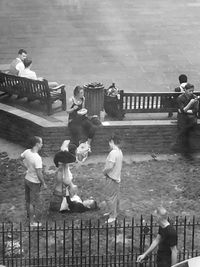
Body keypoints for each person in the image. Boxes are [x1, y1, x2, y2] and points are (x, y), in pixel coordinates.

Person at [21, 136, 47, 226]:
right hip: (34, 182)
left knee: (28, 200)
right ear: (37, 144)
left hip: (27, 179)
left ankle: (30, 216)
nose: (42, 144)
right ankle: (32, 222)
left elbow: (21, 158)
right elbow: (39, 173)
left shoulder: (27, 151)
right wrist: (43, 183)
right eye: (41, 143)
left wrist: (27, 167)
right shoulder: (37, 158)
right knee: (33, 202)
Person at [50, 141, 77, 212]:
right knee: (63, 170)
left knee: (61, 170)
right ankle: (64, 152)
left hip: (65, 179)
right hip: (66, 179)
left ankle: (63, 153)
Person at [103, 132, 123, 223]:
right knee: (115, 197)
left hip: (111, 178)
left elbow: (109, 166)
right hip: (117, 178)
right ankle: (114, 212)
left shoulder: (113, 153)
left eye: (109, 142)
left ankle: (112, 216)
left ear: (112, 141)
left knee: (109, 197)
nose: (109, 144)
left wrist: (104, 172)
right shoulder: (119, 151)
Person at [176, 83, 199, 157]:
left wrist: (185, 111)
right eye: (190, 91)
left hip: (191, 118)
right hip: (183, 118)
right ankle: (184, 150)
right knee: (184, 130)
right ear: (185, 90)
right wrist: (190, 103)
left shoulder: (194, 97)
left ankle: (188, 150)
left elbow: (195, 110)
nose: (191, 92)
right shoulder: (180, 98)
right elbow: (183, 110)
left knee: (191, 129)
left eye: (192, 91)